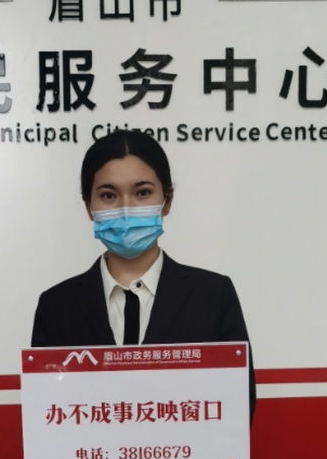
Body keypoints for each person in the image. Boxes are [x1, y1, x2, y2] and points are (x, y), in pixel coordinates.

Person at [30, 128, 256, 421]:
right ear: (88, 206)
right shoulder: (56, 306)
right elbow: (45, 416)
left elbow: (237, 411)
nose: (126, 209)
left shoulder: (213, 296)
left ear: (168, 200)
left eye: (142, 193)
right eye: (108, 195)